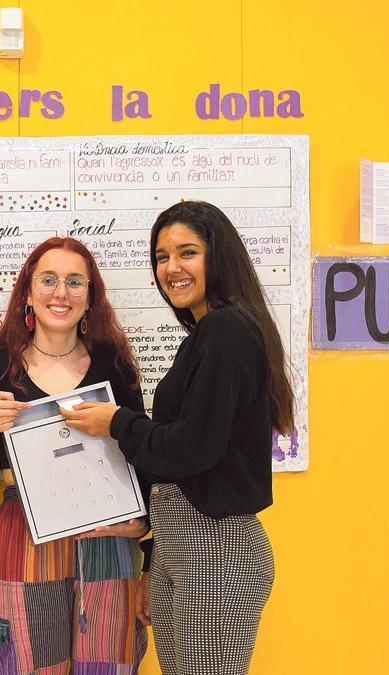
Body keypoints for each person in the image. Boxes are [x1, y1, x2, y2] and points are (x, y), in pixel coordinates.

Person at [62, 201, 293, 675]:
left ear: (219, 256)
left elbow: (191, 449)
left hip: (217, 550)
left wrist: (116, 422)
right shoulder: (206, 333)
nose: (172, 268)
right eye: (162, 257)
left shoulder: (227, 330)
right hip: (180, 544)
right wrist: (153, 561)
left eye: (187, 252)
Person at [0, 236, 149, 674]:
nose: (60, 293)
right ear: (28, 292)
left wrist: (145, 526)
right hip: (26, 533)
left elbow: (144, 454)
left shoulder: (114, 367)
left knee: (107, 661)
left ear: (90, 297)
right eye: (47, 280)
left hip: (108, 537)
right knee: (29, 660)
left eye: (74, 282)